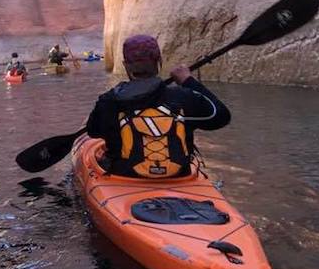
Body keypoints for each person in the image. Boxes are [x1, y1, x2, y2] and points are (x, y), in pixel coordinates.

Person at [86, 34, 231, 178]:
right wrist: (188, 81)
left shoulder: (109, 100)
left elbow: (93, 131)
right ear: (159, 61)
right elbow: (221, 117)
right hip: (179, 178)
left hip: (125, 177)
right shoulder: (184, 96)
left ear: (125, 65)